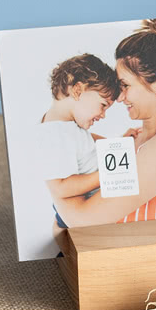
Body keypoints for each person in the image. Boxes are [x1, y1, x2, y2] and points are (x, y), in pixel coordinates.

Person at [52, 18, 156, 226]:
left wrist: (52, 183)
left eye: (125, 85)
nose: (119, 98)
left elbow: (81, 220)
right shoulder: (137, 139)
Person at [37, 54, 120, 233]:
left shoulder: (67, 127)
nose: (103, 114)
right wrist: (107, 174)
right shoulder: (54, 135)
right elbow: (60, 187)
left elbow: (87, 143)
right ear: (78, 90)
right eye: (103, 105)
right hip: (79, 216)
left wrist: (119, 144)